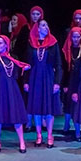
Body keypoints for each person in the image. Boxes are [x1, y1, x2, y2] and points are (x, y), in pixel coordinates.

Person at [0, 35, 30, 153]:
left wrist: (23, 69)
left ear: (6, 45)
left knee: (16, 115)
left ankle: (21, 141)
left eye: (1, 43)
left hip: (12, 88)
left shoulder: (13, 58)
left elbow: (18, 72)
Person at [24, 19, 62, 148]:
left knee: (48, 108)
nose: (46, 27)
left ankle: (50, 135)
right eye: (43, 25)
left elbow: (58, 64)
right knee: (36, 107)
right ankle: (39, 135)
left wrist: (57, 82)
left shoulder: (53, 43)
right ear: (38, 28)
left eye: (47, 25)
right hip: (34, 78)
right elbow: (28, 64)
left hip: (48, 77)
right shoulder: (31, 43)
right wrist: (26, 81)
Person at [60, 27, 81, 140]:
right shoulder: (66, 50)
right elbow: (64, 68)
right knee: (68, 103)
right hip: (69, 80)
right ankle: (66, 124)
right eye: (74, 37)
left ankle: (79, 129)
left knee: (78, 104)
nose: (76, 39)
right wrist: (64, 84)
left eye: (78, 37)